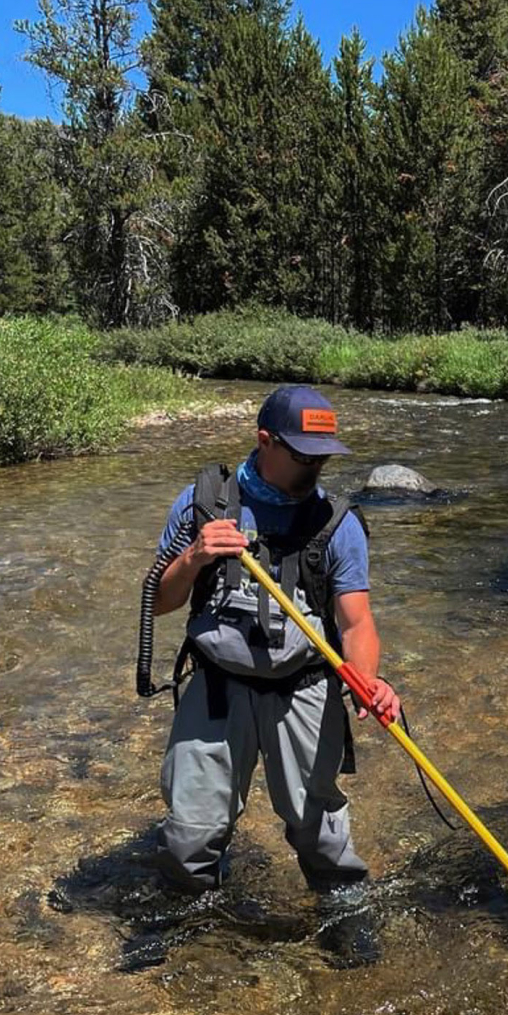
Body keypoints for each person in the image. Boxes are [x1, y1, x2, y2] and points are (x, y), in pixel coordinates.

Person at [149, 384, 400, 895]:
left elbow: (356, 624)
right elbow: (159, 601)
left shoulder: (338, 523)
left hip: (304, 688)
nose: (316, 469)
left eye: (323, 458)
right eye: (304, 456)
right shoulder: (204, 503)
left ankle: (342, 911)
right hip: (217, 686)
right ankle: (189, 923)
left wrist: (366, 682)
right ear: (265, 441)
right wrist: (194, 556)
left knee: (319, 832)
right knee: (190, 834)